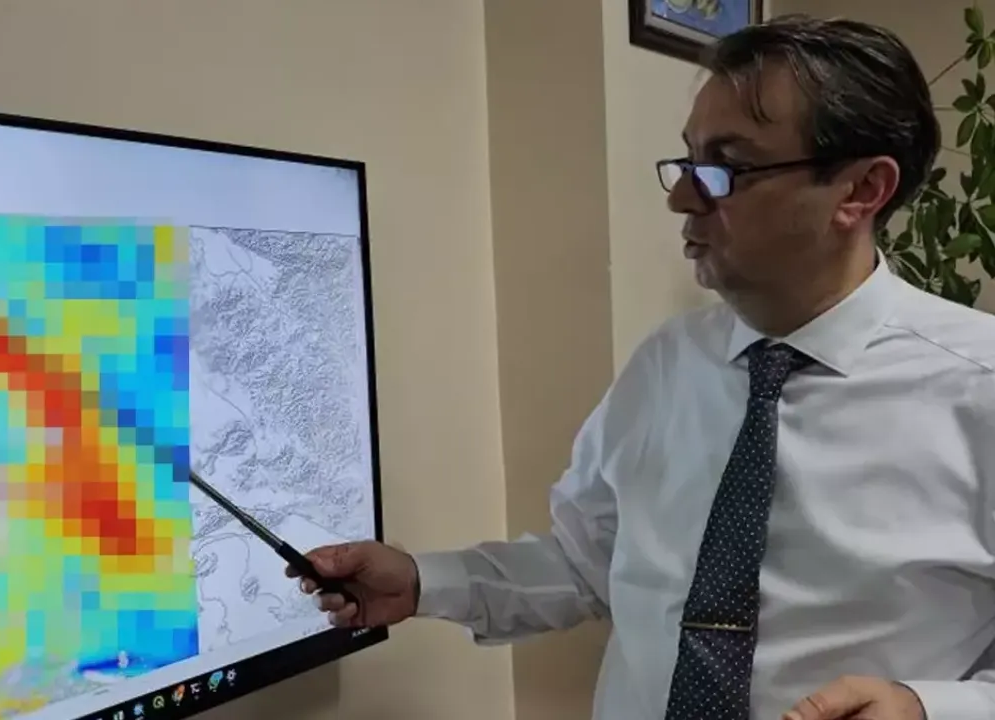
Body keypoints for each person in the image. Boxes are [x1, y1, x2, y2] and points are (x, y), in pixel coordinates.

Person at [287, 13, 995, 720]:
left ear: (861, 190)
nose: (681, 197)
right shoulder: (668, 362)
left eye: (727, 167)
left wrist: (925, 709)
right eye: (688, 161)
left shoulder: (978, 387)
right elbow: (588, 564)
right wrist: (422, 581)